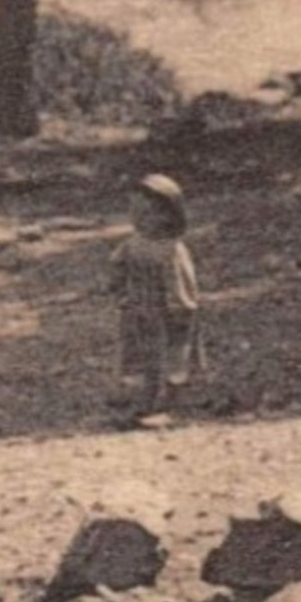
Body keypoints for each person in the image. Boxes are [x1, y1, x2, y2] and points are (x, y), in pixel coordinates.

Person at [108, 174, 204, 423]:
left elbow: (181, 281)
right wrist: (120, 291)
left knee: (171, 355)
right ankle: (142, 401)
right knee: (139, 355)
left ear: (168, 216)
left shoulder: (171, 249)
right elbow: (117, 266)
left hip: (167, 312)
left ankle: (171, 404)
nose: (140, 221)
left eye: (148, 214)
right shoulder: (132, 244)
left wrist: (181, 306)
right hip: (138, 310)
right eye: (135, 214)